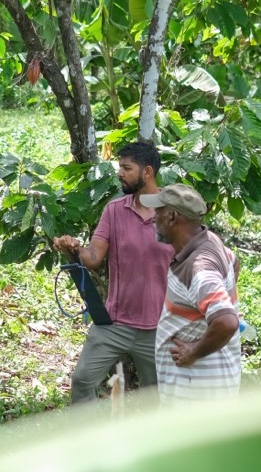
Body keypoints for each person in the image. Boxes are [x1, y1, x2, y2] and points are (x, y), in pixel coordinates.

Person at [53, 141, 173, 404]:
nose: (119, 173)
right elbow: (94, 257)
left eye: (126, 168)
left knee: (156, 396)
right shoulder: (115, 211)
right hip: (115, 323)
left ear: (147, 172)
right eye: (120, 166)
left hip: (160, 326)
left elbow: (197, 256)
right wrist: (74, 248)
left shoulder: (173, 211)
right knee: (82, 379)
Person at [144, 183, 242, 405]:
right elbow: (234, 261)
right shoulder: (210, 240)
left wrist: (194, 352)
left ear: (172, 217)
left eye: (158, 211)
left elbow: (226, 322)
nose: (153, 217)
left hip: (197, 393)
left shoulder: (199, 269)